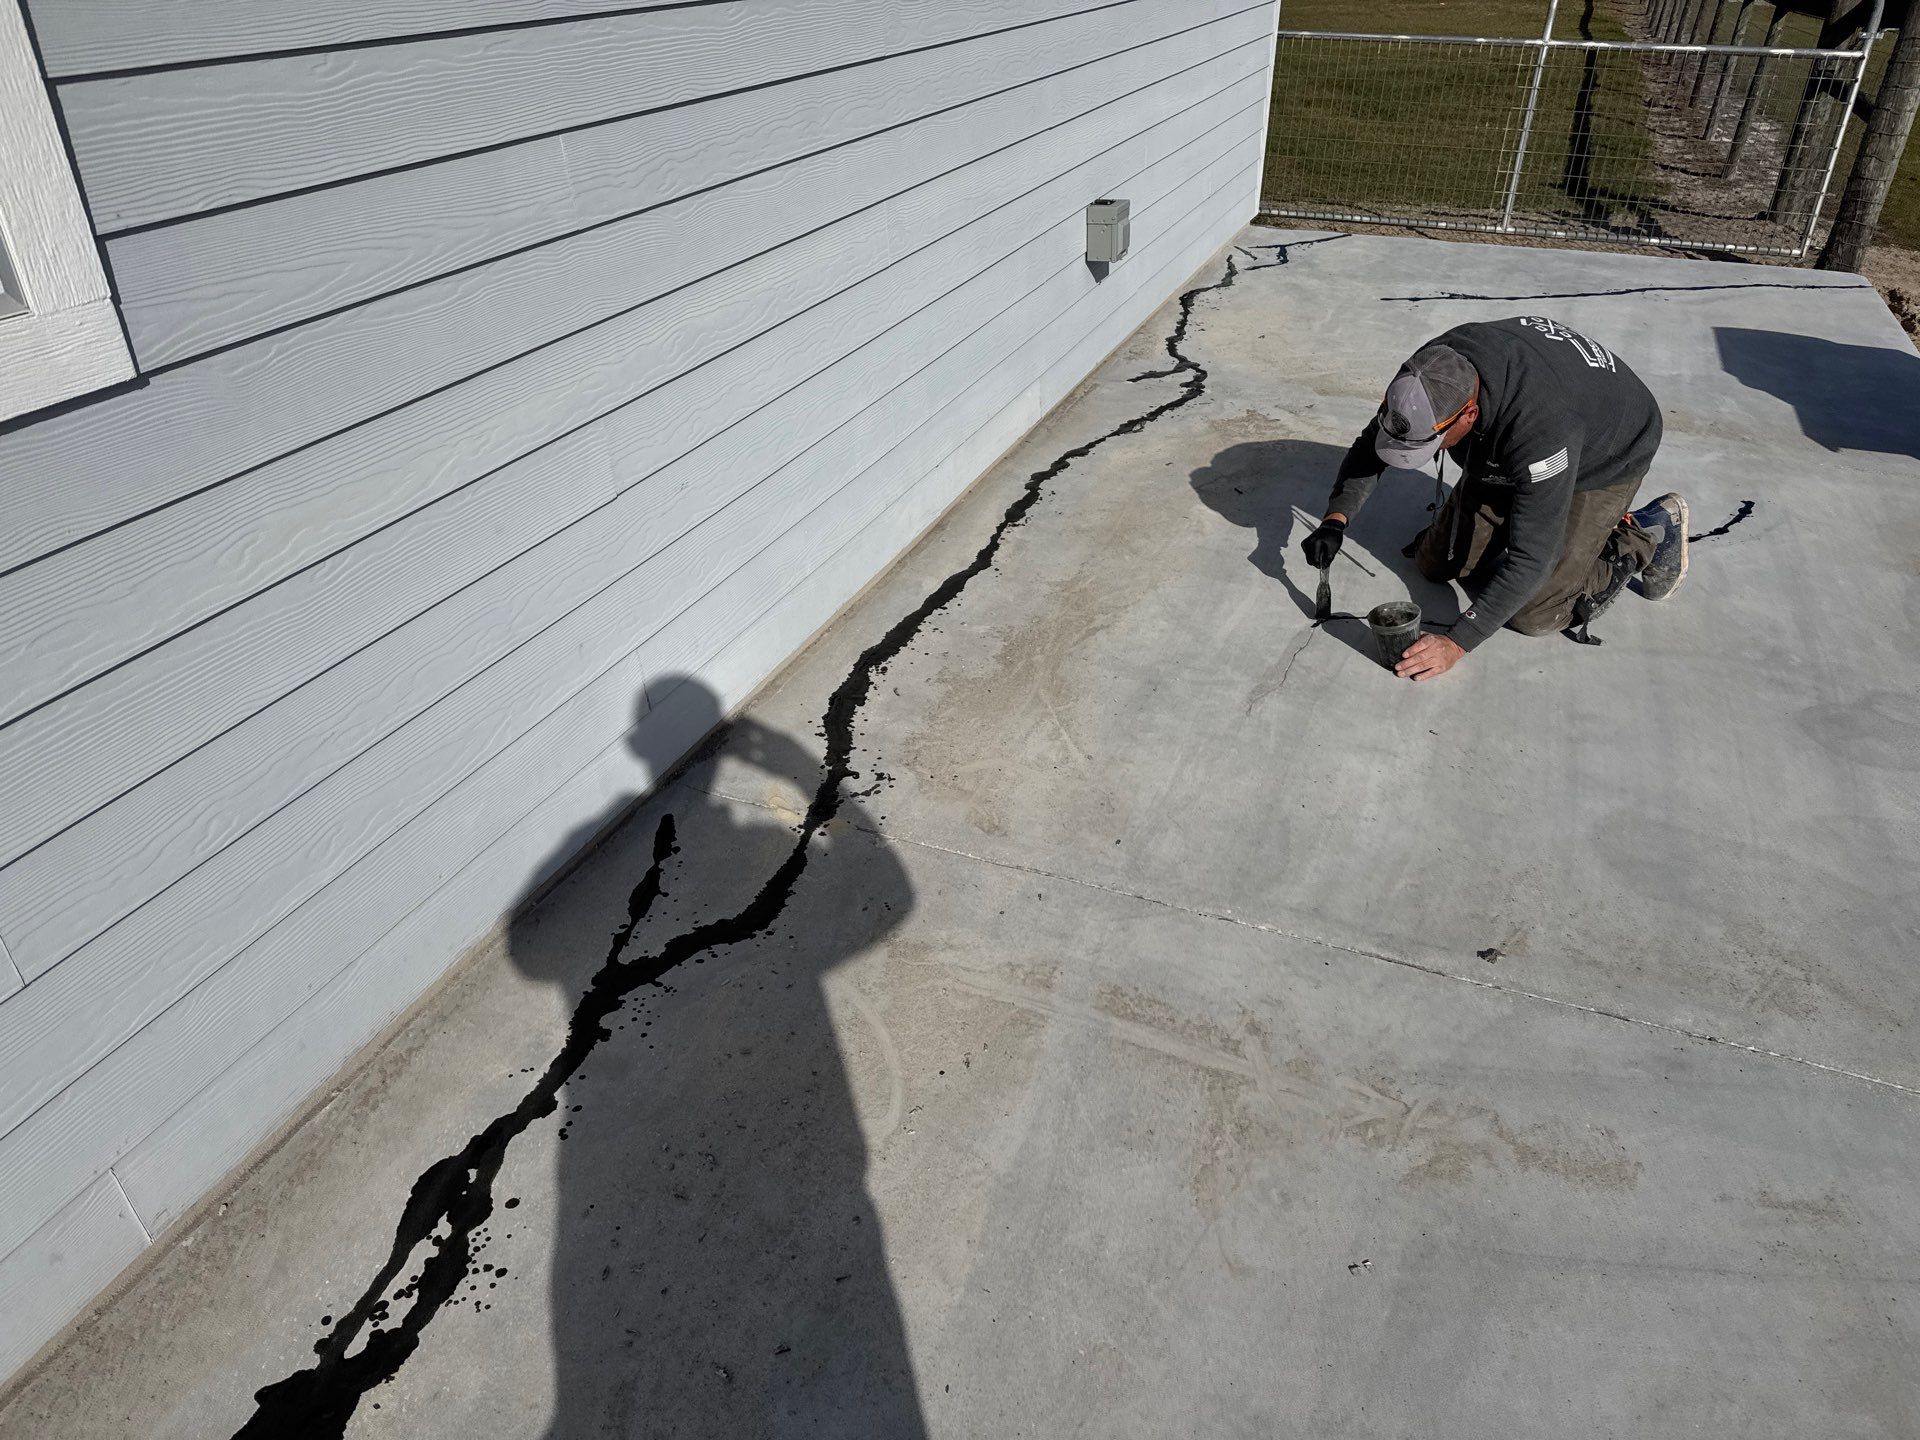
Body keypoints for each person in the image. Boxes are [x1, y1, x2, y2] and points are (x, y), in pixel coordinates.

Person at [1299, 316, 1689, 680]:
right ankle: (1522, 502)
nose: (1426, 453)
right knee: (1436, 563)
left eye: (1430, 444)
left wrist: (1457, 641)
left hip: (1608, 452)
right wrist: (1335, 520)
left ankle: (1644, 531)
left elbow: (1533, 556)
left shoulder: (1541, 429)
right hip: (1522, 434)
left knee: (1535, 613)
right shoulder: (1432, 371)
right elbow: (1372, 445)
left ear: (1469, 415)